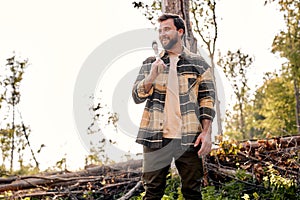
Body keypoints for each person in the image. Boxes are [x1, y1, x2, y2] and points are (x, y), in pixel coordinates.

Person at [132, 13, 216, 200]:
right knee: (152, 193)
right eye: (160, 31)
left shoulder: (199, 64)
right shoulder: (150, 64)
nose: (162, 34)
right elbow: (137, 96)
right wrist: (152, 76)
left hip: (189, 138)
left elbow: (207, 100)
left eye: (167, 29)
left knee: (192, 193)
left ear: (180, 31)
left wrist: (207, 132)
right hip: (155, 137)